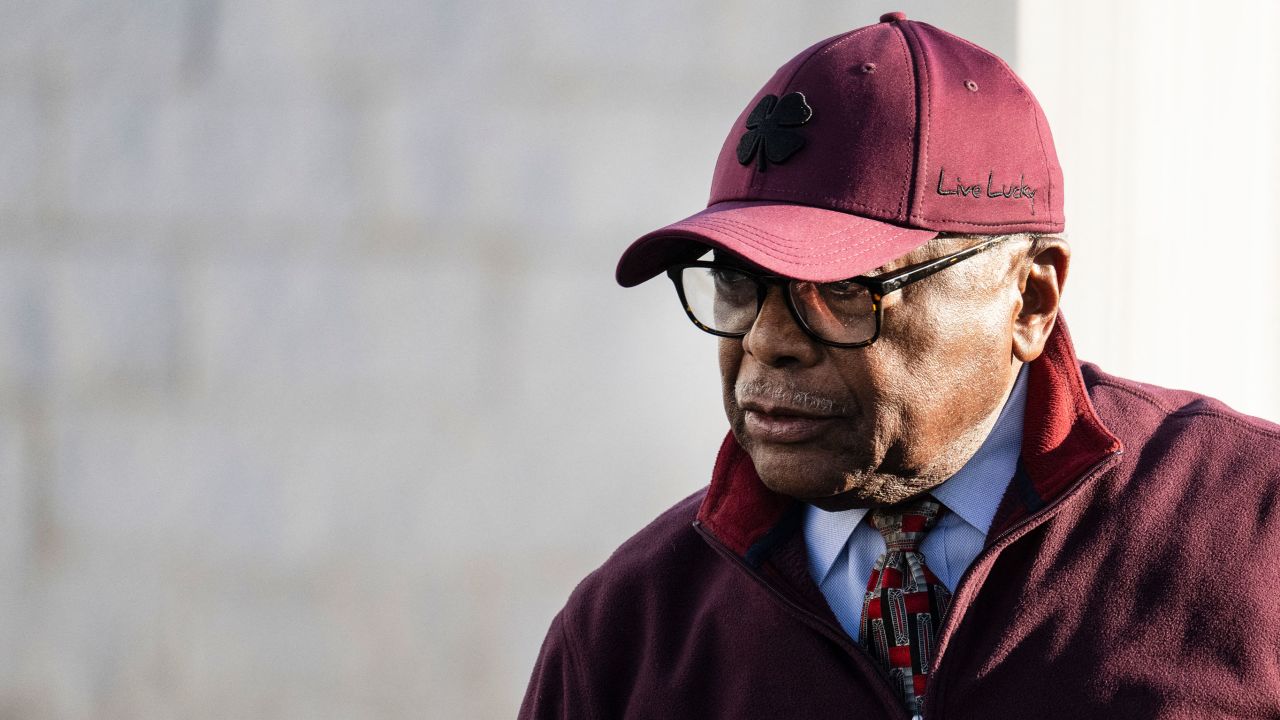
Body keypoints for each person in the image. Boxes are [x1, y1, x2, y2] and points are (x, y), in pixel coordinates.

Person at [520, 12, 1280, 720]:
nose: (767, 340)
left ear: (1030, 299)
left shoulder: (1250, 530)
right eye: (737, 282)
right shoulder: (625, 636)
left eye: (843, 290)